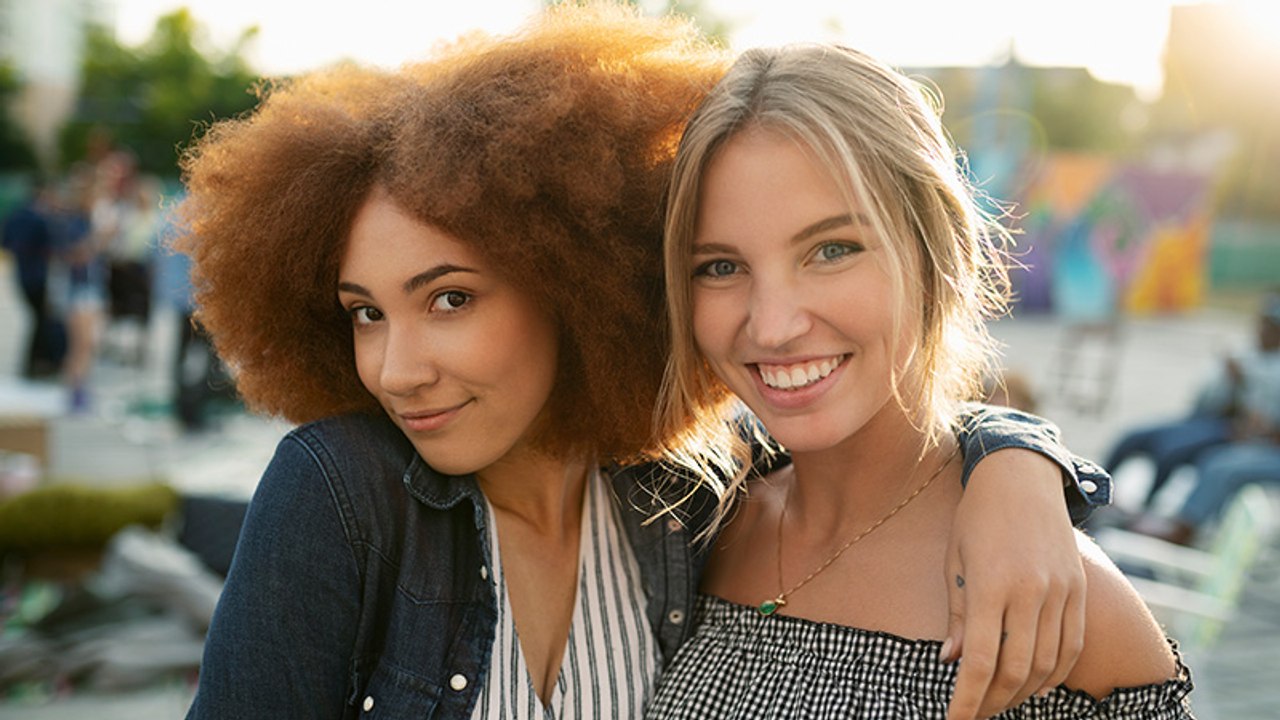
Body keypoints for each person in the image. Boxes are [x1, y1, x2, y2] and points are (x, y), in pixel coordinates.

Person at [177, 6, 1110, 719]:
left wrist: (1016, 467)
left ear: (571, 278)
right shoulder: (342, 495)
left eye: (450, 298)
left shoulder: (681, 491)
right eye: (365, 314)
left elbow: (869, 456)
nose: (395, 368)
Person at [648, 43, 1193, 718]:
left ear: (940, 253)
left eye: (832, 250)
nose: (774, 326)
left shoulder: (1056, 598)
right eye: (720, 266)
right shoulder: (682, 531)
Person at [1103, 292, 1280, 509]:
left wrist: (1242, 384)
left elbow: (1260, 421)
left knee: (1172, 450)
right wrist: (1227, 380)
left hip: (1231, 431)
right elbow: (1203, 400)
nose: (1264, 331)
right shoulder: (1245, 354)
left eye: (1271, 328)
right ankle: (1099, 491)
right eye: (1263, 324)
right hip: (1204, 419)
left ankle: (1147, 507)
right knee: (1131, 436)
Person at [1, 180, 66, 379]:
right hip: (38, 275)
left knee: (37, 319)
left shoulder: (17, 215)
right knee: (41, 320)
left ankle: (34, 363)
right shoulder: (41, 219)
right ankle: (37, 363)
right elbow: (54, 248)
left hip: (22, 274)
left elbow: (6, 242)